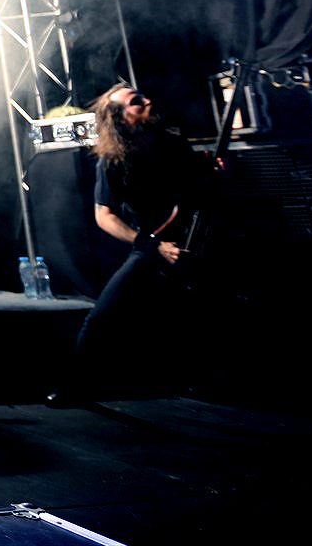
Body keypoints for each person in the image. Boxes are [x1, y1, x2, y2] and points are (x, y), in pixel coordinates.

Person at [46, 83, 216, 407]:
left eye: (144, 96)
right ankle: (77, 384)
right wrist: (152, 246)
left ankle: (199, 378)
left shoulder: (175, 145)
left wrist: (212, 174)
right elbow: (104, 216)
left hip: (193, 242)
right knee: (102, 318)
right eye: (137, 102)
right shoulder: (113, 160)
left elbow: (197, 194)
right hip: (151, 247)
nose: (148, 101)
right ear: (121, 119)